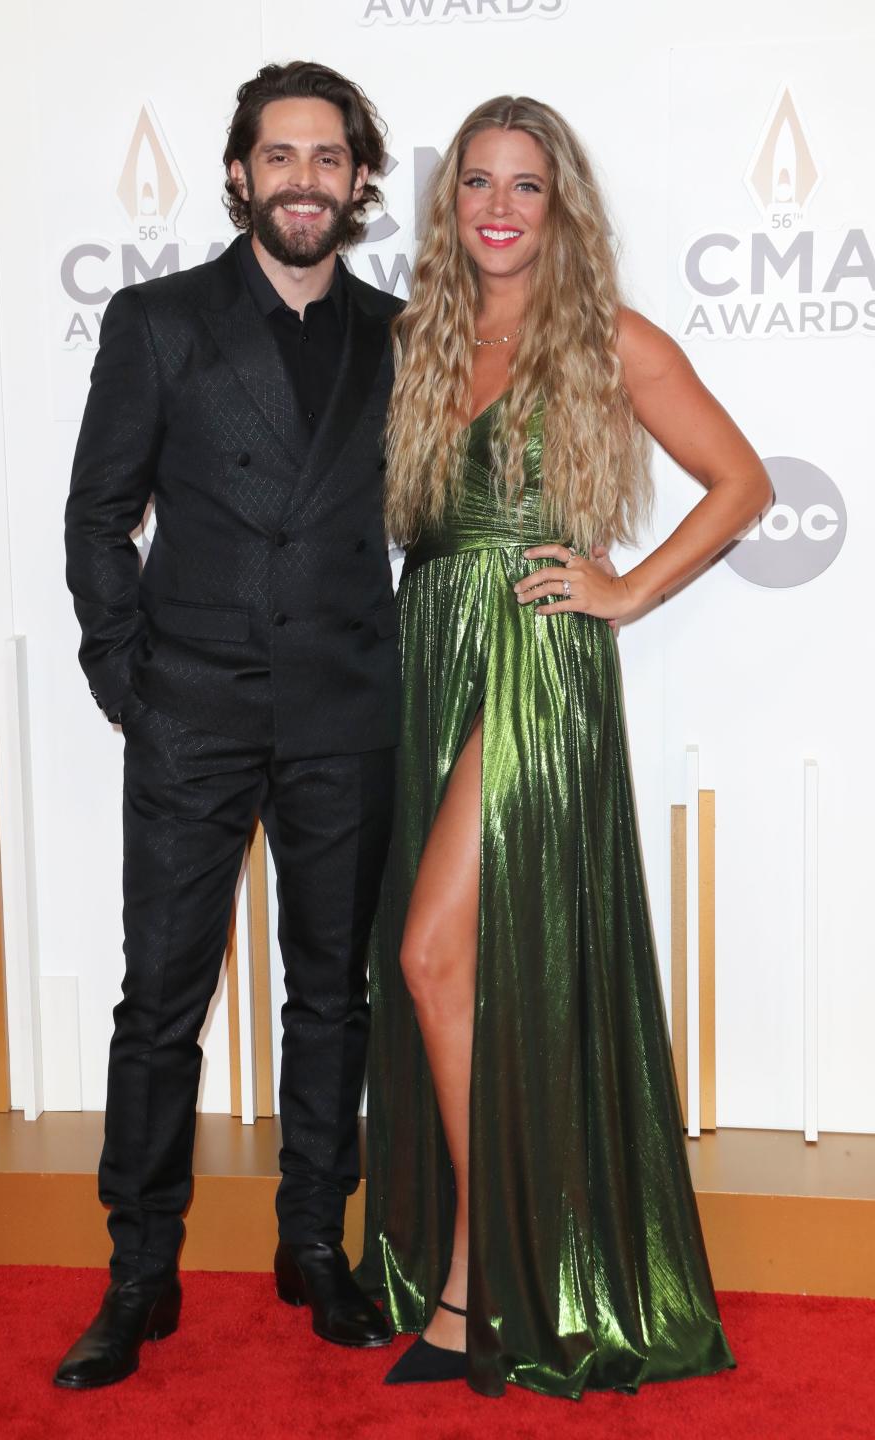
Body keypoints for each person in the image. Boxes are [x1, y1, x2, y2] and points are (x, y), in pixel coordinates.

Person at [355, 95, 771, 1399]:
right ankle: (485, 1258)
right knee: (460, 968)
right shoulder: (419, 340)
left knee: (430, 953)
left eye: (526, 186)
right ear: (449, 203)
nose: (497, 205)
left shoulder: (607, 338)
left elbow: (744, 483)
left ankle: (485, 1275)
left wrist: (631, 590)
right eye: (477, 181)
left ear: (561, 206)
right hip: (435, 649)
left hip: (534, 670)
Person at [57, 61, 401, 1389]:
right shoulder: (160, 322)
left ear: (358, 180)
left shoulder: (401, 332)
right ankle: (140, 1269)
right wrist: (126, 684)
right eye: (280, 156)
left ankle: (313, 1241)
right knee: (161, 1005)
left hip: (343, 712)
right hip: (192, 711)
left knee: (333, 995)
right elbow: (100, 517)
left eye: (328, 158)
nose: (303, 180)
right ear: (242, 173)